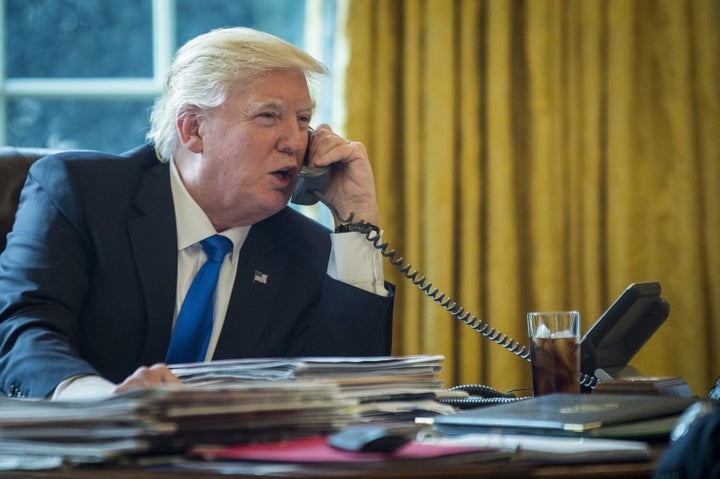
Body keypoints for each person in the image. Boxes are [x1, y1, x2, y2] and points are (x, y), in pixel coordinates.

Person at [0, 27, 394, 400]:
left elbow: (347, 393)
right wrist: (98, 399)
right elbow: (23, 329)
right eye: (268, 116)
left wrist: (356, 226)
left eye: (303, 119)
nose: (295, 141)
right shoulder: (78, 194)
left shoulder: (306, 248)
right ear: (193, 129)